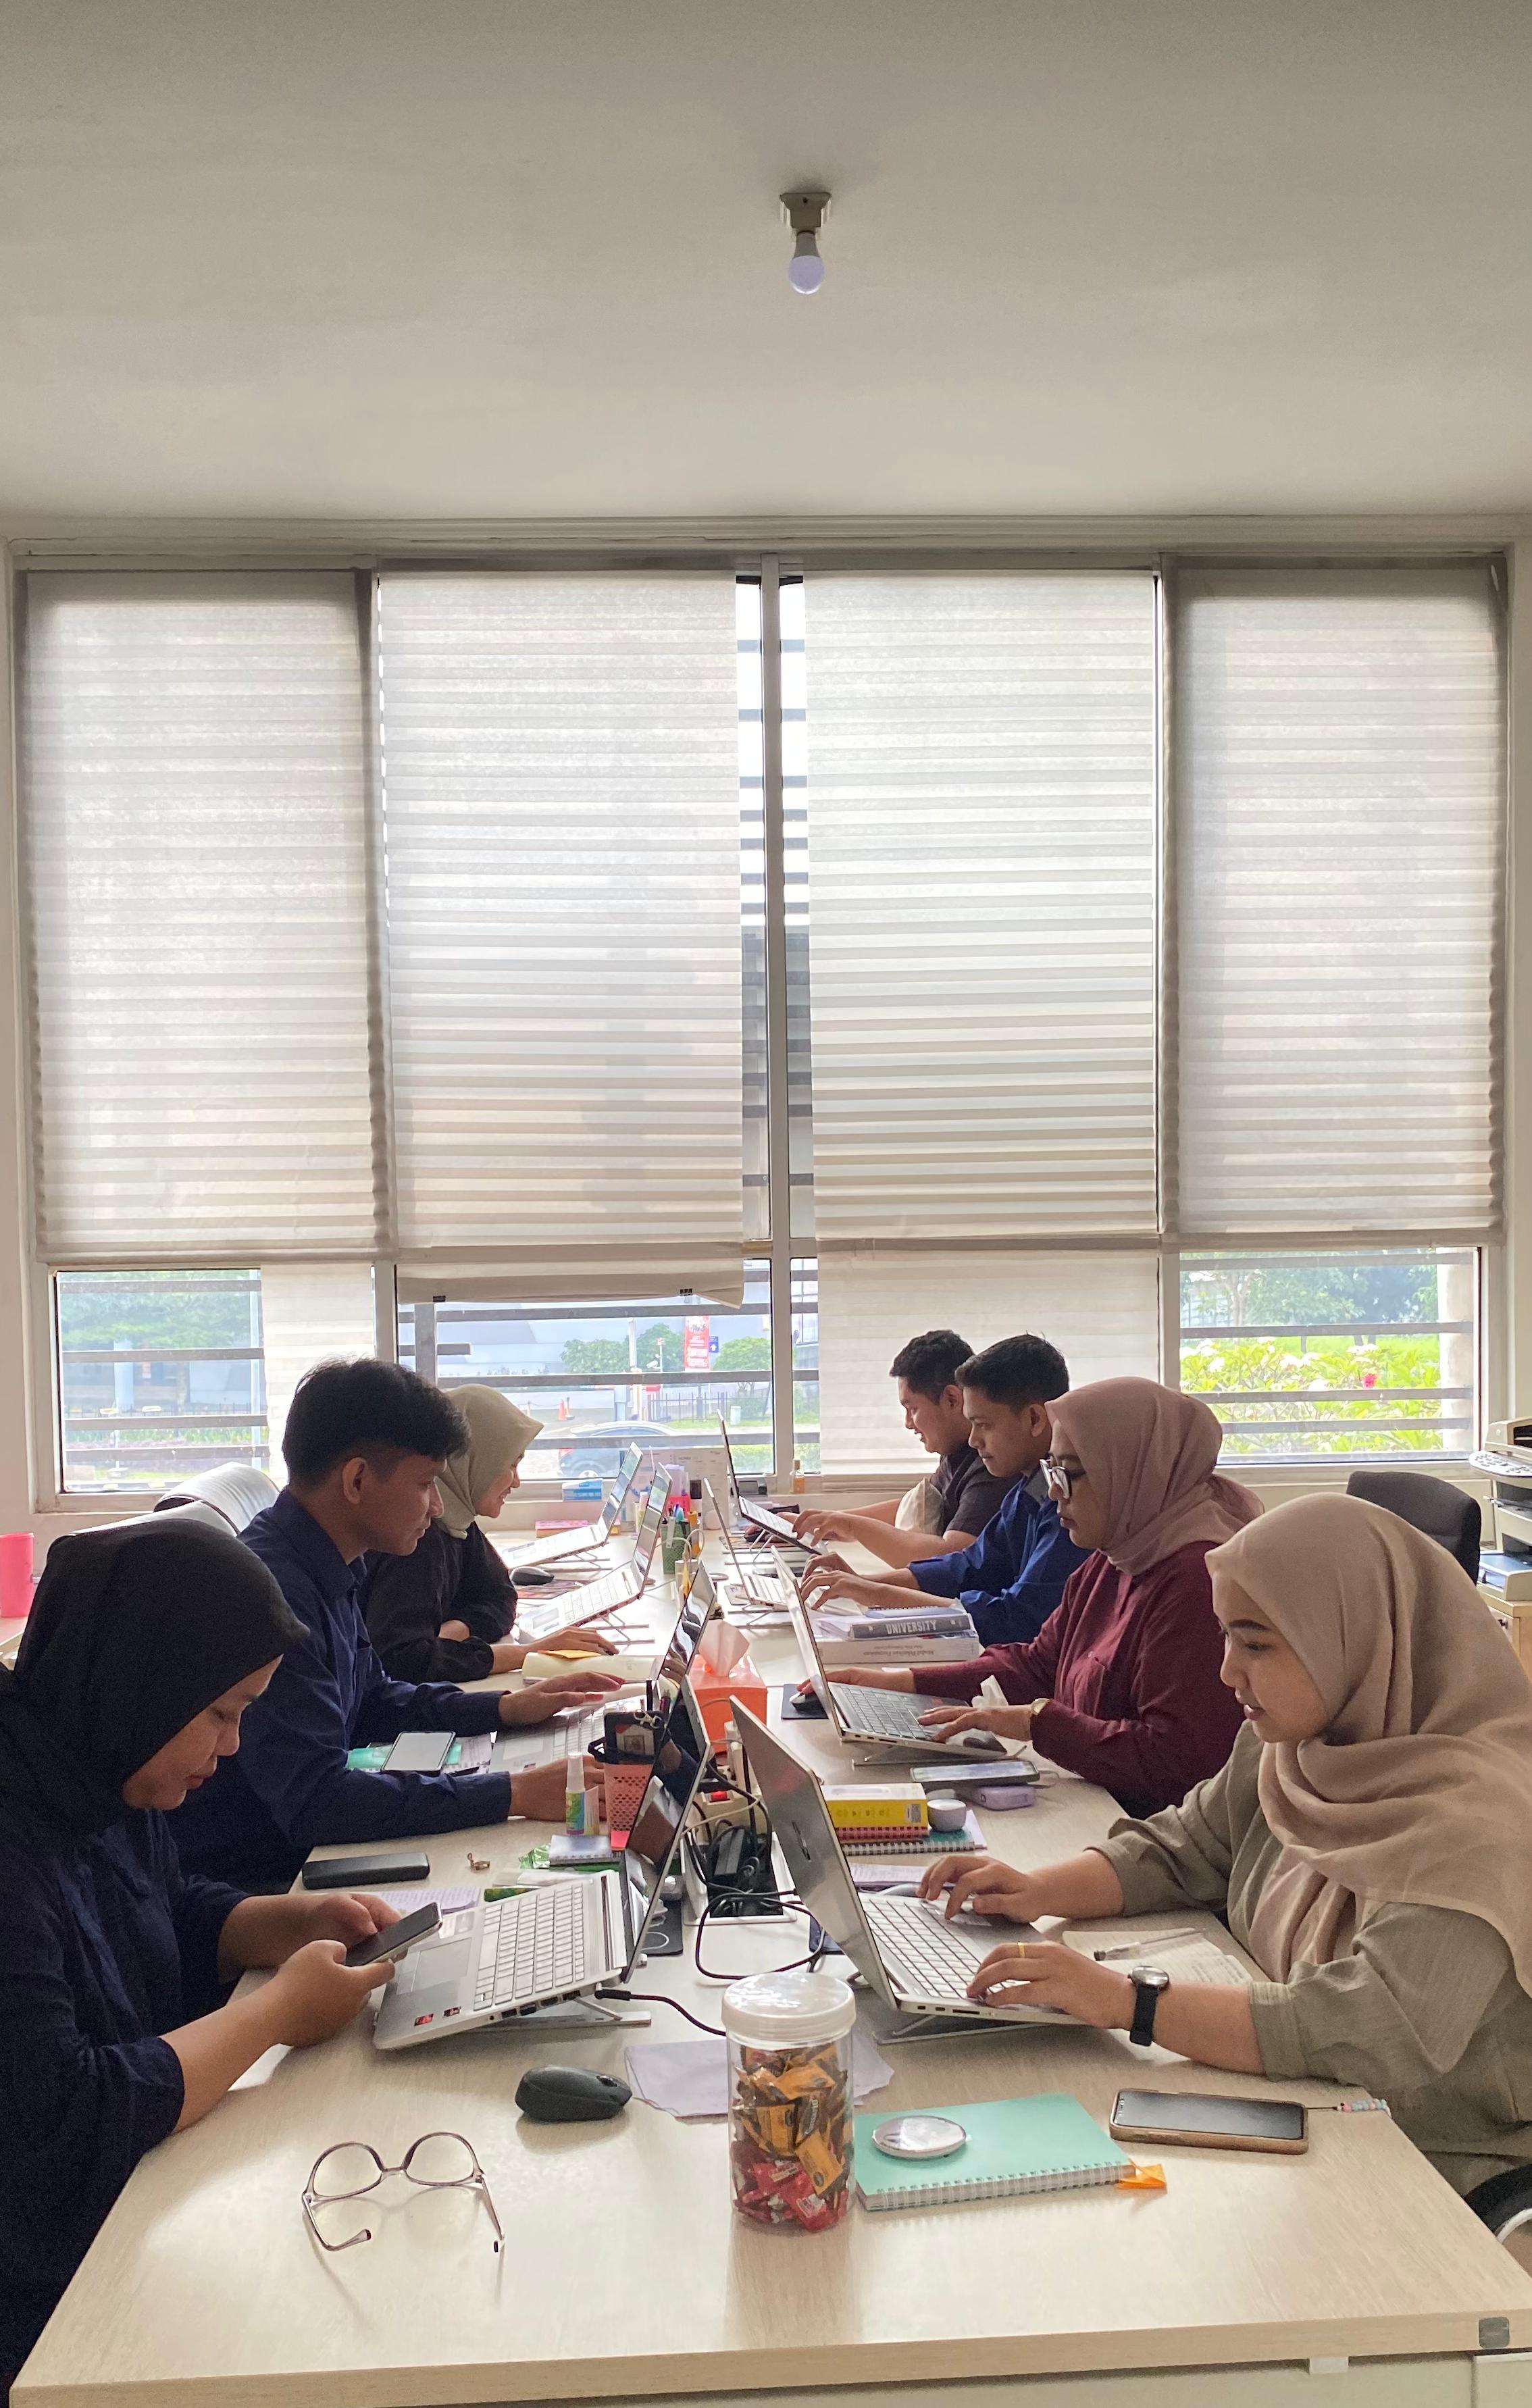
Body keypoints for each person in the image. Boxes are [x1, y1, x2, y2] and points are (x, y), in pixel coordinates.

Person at [917, 1494, 1532, 2214]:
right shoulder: (1298, 1745)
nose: (1227, 1673)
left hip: (1434, 2168)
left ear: (1353, 1637)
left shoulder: (1477, 1822)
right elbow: (1184, 1846)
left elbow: (1370, 2026)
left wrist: (1128, 2001)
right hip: (1306, 2108)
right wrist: (1034, 1888)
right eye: (1226, 1638)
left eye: (1257, 1644)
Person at [0, 1517, 405, 2394]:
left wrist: (289, 1920)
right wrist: (273, 2013)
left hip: (133, 2205)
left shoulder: (99, 1760)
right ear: (142, 1682)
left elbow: (165, 1909)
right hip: (47, 2300)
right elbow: (66, 2116)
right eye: (221, 1714)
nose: (231, 1747)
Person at [173, 1360, 621, 1892]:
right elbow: (319, 1801)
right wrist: (513, 1793)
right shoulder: (275, 1596)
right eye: (426, 1483)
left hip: (303, 1844)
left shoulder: (327, 1563)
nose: (436, 1506)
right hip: (263, 1878)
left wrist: (505, 1708)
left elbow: (374, 1700)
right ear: (357, 1479)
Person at [836, 1377, 1256, 1816]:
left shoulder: (1196, 1583)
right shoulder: (1115, 1557)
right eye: (1050, 1470)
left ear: (1132, 1469)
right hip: (1094, 1801)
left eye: (1067, 1473)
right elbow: (1036, 1664)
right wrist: (900, 1683)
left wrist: (1036, 1722)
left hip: (1144, 1826)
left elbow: (1173, 1761)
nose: (1053, 1491)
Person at [800, 1335, 1087, 1645]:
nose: (974, 1440)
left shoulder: (1072, 1509)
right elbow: (968, 1567)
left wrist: (876, 1592)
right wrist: (862, 1583)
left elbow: (1014, 1620)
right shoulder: (1027, 1490)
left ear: (1034, 1419)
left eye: (984, 1425)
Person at [361, 1384, 616, 1684]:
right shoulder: (418, 1535)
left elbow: (500, 1598)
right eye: (511, 1464)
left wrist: (449, 1636)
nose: (517, 1482)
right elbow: (404, 1662)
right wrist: (528, 1653)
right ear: (474, 1459)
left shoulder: (458, 1522)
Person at [789, 1329, 1017, 1569]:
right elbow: (915, 1508)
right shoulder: (955, 1453)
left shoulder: (990, 1464)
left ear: (952, 1399)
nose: (908, 1423)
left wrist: (851, 1527)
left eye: (913, 1409)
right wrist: (826, 1523)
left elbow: (952, 1557)